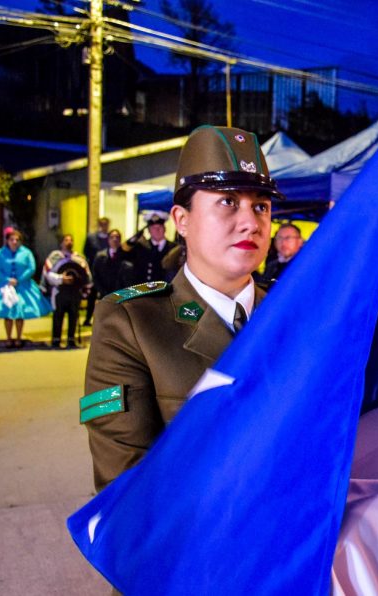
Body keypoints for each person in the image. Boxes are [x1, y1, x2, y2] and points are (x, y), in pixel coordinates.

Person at [80, 125, 284, 491]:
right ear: (182, 220)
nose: (251, 223)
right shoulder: (132, 323)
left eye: (261, 206)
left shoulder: (294, 315)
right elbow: (127, 488)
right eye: (228, 202)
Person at [0, 228, 52, 348]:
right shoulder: (0, 253)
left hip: (23, 285)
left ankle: (19, 338)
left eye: (17, 240)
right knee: (8, 313)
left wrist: (19, 279)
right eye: (12, 239)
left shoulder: (26, 252)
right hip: (5, 286)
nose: (14, 242)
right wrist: (7, 280)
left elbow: (31, 268)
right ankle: (9, 338)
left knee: (20, 313)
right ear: (7, 240)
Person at [42, 234, 92, 349]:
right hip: (59, 291)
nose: (69, 242)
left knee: (73, 315)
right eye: (66, 240)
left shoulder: (79, 258)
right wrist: (61, 279)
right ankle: (56, 340)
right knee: (58, 315)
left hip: (74, 292)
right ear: (61, 243)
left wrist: (82, 286)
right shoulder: (54, 257)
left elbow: (86, 275)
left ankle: (71, 339)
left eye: (71, 240)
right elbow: (47, 273)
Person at [123, 211, 177, 284]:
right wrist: (134, 239)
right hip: (142, 291)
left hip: (165, 292)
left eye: (159, 227)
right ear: (148, 230)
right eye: (153, 228)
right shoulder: (140, 247)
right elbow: (122, 255)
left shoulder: (174, 248)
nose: (157, 230)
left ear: (164, 229)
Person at [82, 216, 110, 326]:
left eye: (106, 224)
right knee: (91, 297)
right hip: (94, 271)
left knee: (105, 296)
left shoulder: (110, 238)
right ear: (99, 225)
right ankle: (88, 318)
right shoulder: (91, 238)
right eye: (102, 224)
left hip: (106, 272)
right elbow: (86, 252)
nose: (104, 226)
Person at [91, 228, 134, 298]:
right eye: (112, 237)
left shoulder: (127, 255)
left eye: (117, 237)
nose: (115, 239)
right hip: (104, 294)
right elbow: (95, 276)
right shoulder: (100, 256)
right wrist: (103, 291)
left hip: (121, 295)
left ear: (120, 240)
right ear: (108, 240)